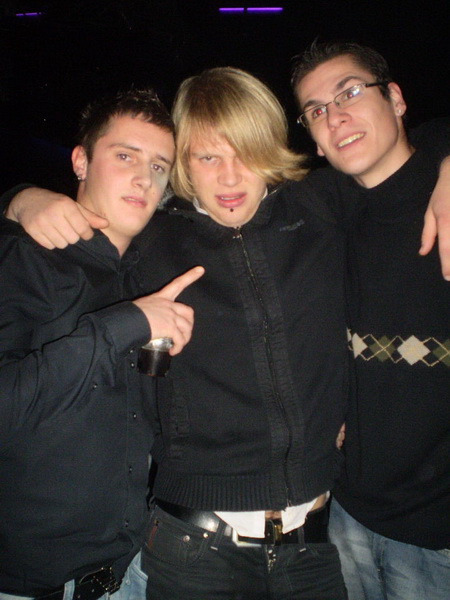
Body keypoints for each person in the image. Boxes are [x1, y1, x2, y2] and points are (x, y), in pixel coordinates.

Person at [2, 68, 351, 600]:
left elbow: (394, 172)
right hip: (188, 547)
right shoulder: (140, 249)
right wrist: (21, 199)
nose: (230, 177)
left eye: (246, 152)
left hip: (307, 546)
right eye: (207, 157)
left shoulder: (316, 211)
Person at [0, 89, 204, 600]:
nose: (144, 178)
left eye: (158, 166)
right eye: (125, 156)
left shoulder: (149, 269)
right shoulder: (23, 258)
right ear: (80, 161)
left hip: (128, 575)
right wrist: (126, 324)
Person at [292, 41, 450, 600]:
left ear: (397, 99)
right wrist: (38, 200)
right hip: (346, 514)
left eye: (351, 93)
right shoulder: (321, 208)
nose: (335, 117)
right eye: (316, 110)